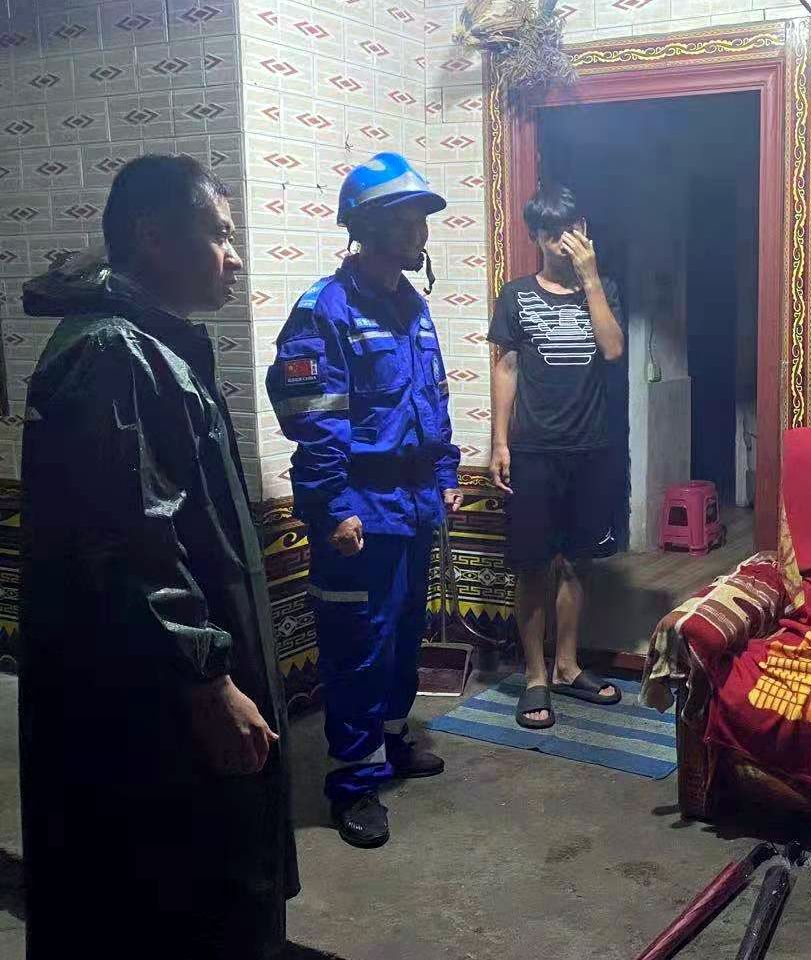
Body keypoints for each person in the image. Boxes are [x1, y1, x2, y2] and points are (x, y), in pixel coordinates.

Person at [18, 154, 298, 959]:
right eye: (219, 235)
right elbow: (131, 543)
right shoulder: (113, 353)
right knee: (169, 889)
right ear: (153, 237)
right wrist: (207, 680)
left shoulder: (147, 345)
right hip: (154, 700)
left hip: (170, 685)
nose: (235, 258)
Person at [266, 152, 459, 849]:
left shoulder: (412, 306)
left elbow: (432, 395)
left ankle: (392, 739)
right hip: (360, 506)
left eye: (421, 220)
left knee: (405, 632)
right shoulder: (324, 310)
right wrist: (331, 504)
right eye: (406, 220)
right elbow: (312, 418)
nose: (419, 232)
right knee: (358, 645)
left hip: (414, 502)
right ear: (369, 227)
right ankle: (353, 781)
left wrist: (445, 470)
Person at [489, 184, 625, 729]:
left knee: (577, 562)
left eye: (570, 230)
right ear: (536, 238)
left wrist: (591, 279)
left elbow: (612, 348)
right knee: (532, 566)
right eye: (551, 234)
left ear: (583, 229)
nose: (562, 242)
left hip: (589, 447)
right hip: (533, 449)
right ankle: (535, 676)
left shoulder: (604, 288)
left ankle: (568, 667)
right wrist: (500, 442)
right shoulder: (515, 295)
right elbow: (506, 368)